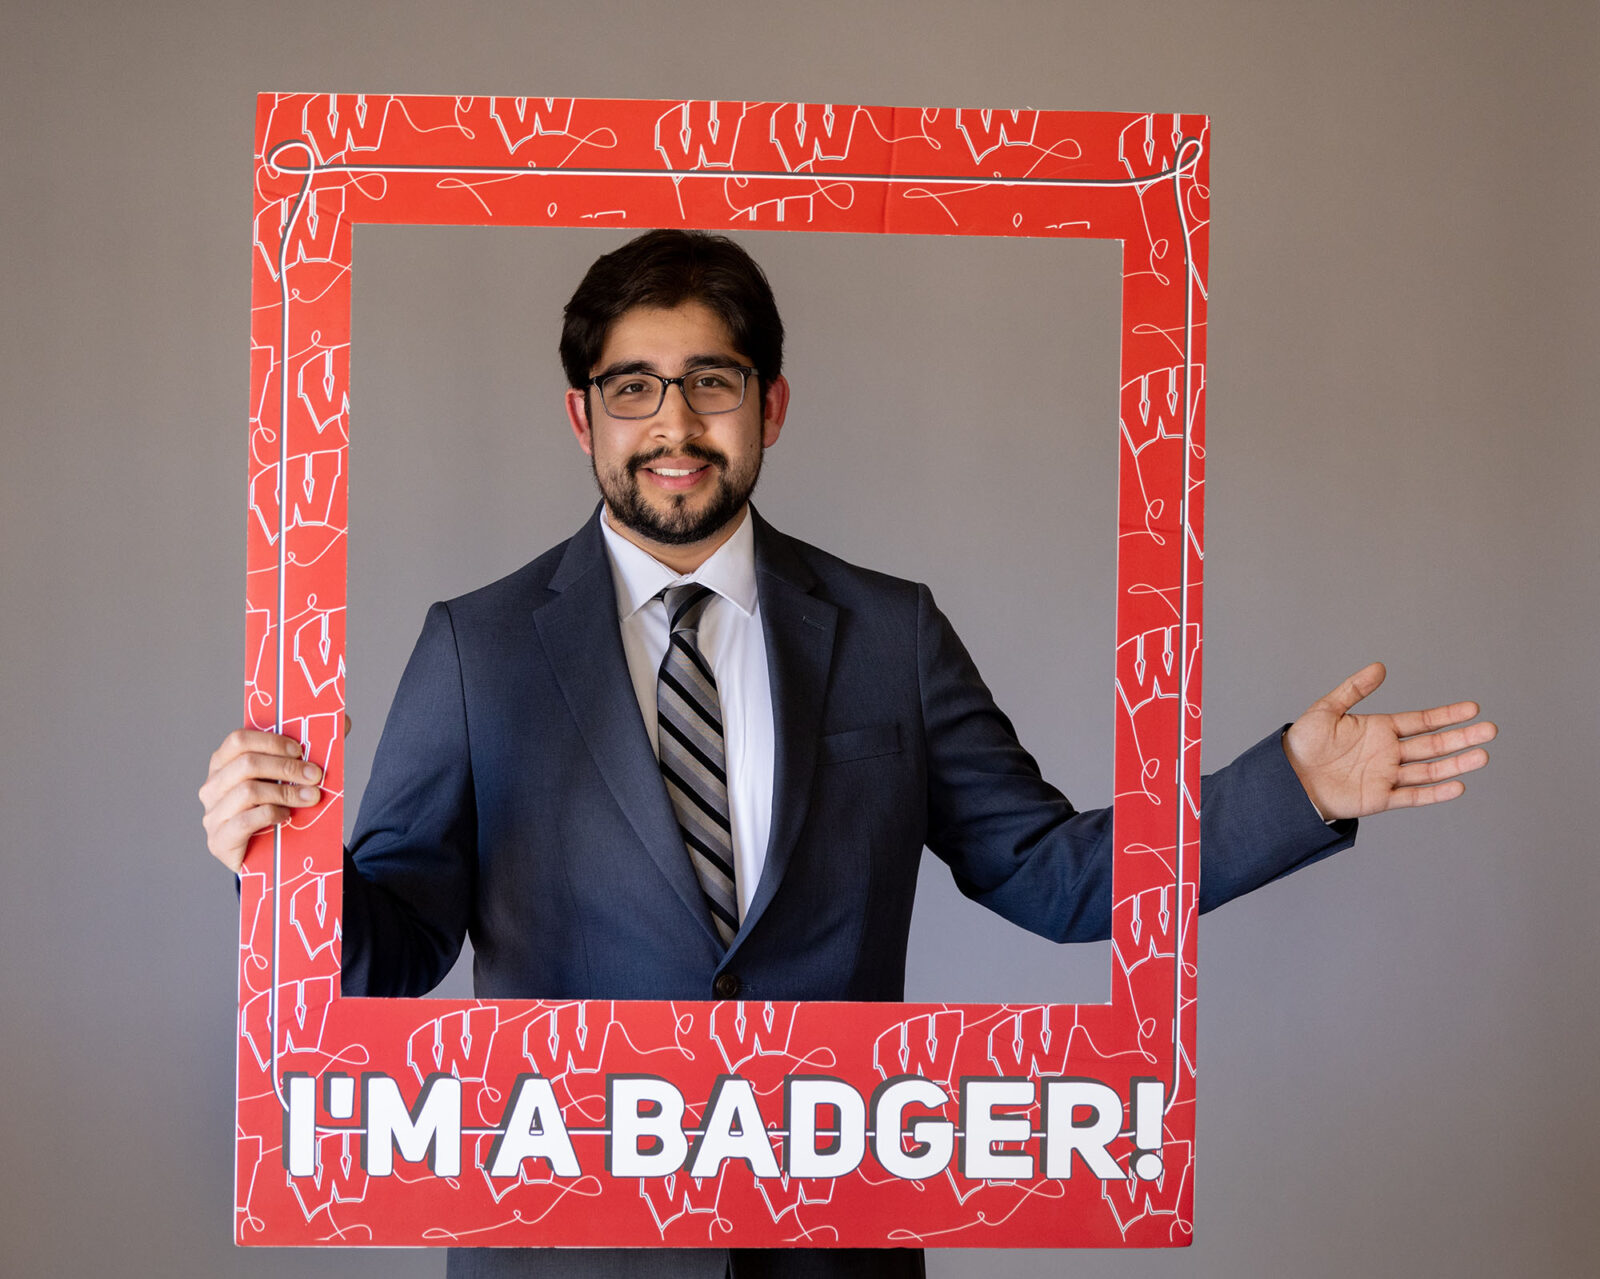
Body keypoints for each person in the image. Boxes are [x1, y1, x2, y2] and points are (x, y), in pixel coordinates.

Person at [199, 230, 1496, 1278]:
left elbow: (1052, 877)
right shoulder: (476, 649)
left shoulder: (890, 633)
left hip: (833, 1245)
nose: (675, 423)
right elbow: (391, 956)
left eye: (711, 381)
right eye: (633, 387)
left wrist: (1294, 791)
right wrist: (278, 867)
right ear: (579, 415)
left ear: (770, 403)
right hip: (567, 1254)